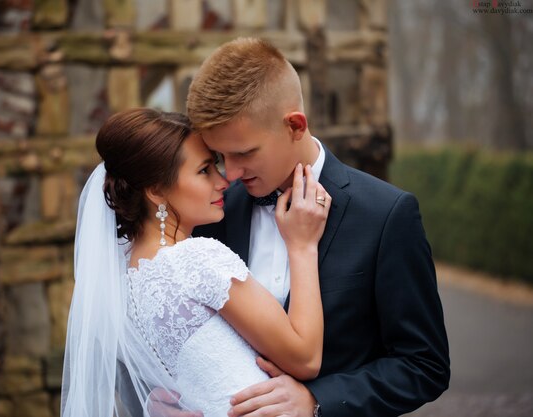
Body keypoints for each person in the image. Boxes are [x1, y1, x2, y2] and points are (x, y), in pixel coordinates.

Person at [150, 37, 450, 416]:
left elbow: (425, 365)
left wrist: (317, 400)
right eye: (220, 156)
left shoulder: (387, 215)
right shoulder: (214, 213)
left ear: (295, 125)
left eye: (243, 153)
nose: (232, 172)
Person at [60, 108, 333, 417]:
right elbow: (305, 358)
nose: (224, 181)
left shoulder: (122, 282)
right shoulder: (196, 260)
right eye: (205, 171)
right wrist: (302, 247)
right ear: (157, 190)